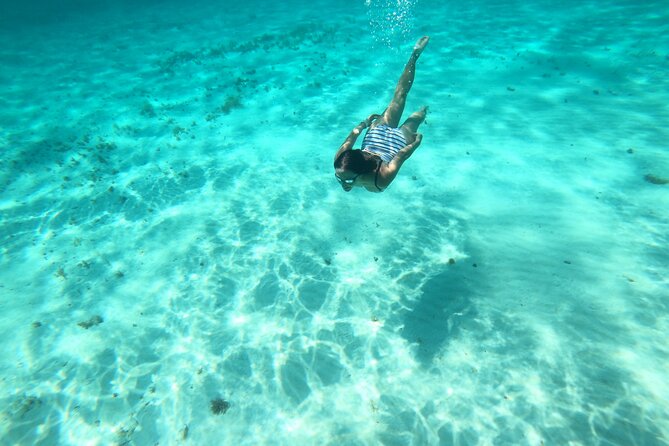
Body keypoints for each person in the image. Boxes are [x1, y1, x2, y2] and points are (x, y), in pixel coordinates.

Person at [334, 36, 429, 193]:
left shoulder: (381, 179)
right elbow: (352, 137)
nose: (343, 183)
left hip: (395, 140)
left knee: (413, 112)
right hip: (376, 135)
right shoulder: (340, 160)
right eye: (338, 178)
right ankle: (424, 105)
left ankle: (414, 57)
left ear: (362, 172)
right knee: (402, 100)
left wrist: (416, 144)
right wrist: (363, 125)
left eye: (348, 179)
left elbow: (402, 156)